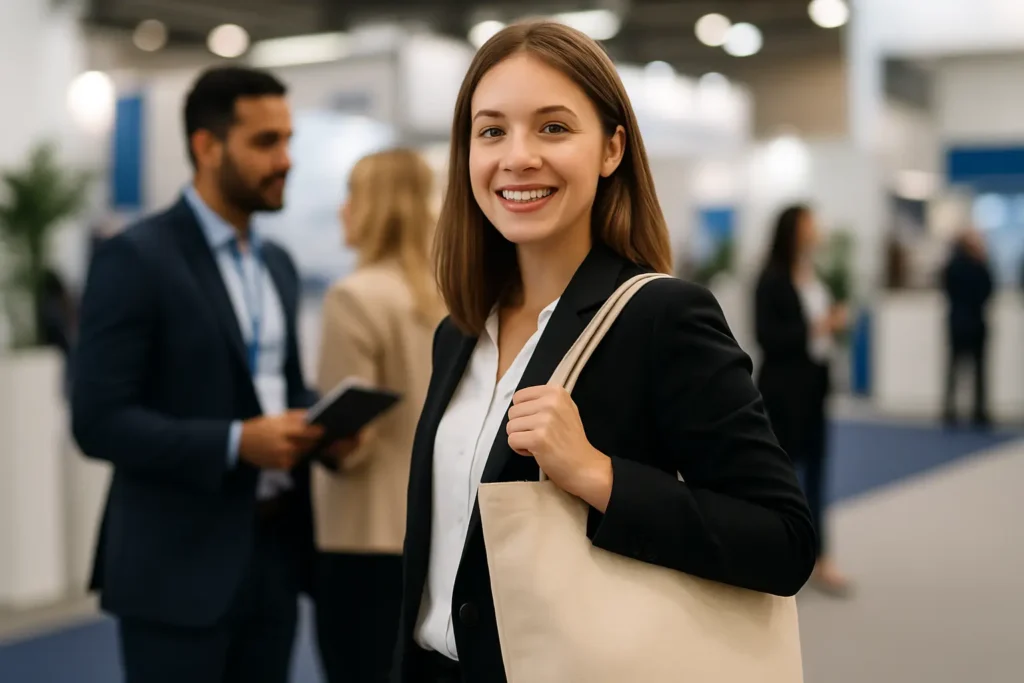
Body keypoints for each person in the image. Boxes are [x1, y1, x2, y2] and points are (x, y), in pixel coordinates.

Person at [390, 21, 816, 683]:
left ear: (612, 148)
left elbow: (784, 541)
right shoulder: (461, 333)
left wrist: (598, 475)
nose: (518, 156)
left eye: (553, 128)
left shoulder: (660, 317)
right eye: (492, 130)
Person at [71, 66, 355, 683]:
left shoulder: (276, 262)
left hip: (274, 556)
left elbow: (272, 385)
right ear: (207, 146)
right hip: (175, 570)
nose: (286, 160)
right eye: (265, 142)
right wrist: (236, 442)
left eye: (288, 140)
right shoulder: (136, 257)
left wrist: (323, 423)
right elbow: (98, 422)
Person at [313, 149, 445, 683]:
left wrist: (317, 436)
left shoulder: (354, 297)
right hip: (436, 528)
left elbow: (352, 441)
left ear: (374, 206)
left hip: (364, 534)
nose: (343, 210)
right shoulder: (454, 296)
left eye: (351, 196)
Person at [753, 204, 850, 596]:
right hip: (783, 392)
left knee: (818, 474)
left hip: (814, 388)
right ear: (792, 230)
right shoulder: (770, 279)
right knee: (783, 477)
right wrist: (818, 325)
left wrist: (830, 324)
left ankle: (820, 558)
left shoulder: (813, 274)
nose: (817, 230)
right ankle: (776, 557)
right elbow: (767, 337)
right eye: (810, 223)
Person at [941, 228, 993, 428]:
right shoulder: (977, 265)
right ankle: (976, 412)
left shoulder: (952, 266)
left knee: (957, 369)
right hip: (973, 322)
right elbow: (987, 290)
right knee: (974, 370)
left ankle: (951, 410)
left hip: (958, 323)